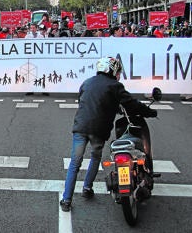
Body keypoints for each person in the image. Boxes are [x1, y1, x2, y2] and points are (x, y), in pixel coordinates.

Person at [60, 57, 157, 212]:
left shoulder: (87, 82)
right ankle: (87, 188)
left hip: (80, 126)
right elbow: (132, 105)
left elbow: (85, 101)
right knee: (95, 156)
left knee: (74, 163)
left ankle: (66, 200)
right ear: (112, 70)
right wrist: (150, 112)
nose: (119, 74)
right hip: (99, 130)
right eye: (118, 71)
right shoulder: (115, 86)